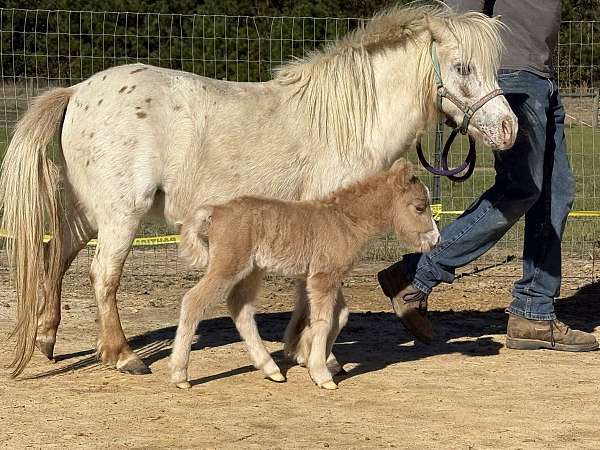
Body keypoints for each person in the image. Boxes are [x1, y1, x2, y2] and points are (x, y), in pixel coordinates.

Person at [377, 0, 599, 351]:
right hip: (505, 76)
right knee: (521, 188)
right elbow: (454, 15)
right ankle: (417, 273)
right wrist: (461, 76)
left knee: (557, 191)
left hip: (541, 77)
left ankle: (534, 312)